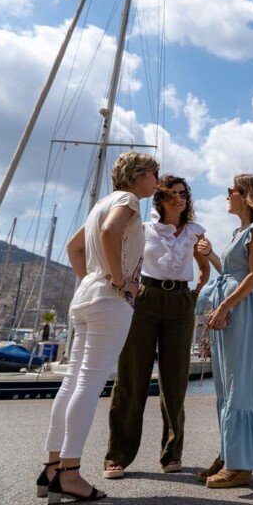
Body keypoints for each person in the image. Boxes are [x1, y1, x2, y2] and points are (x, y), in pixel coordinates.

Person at [38, 152, 159, 502]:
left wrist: (94, 277)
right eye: (154, 173)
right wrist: (119, 282)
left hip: (87, 295)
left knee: (73, 381)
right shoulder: (128, 200)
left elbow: (73, 247)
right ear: (138, 175)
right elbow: (111, 231)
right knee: (89, 384)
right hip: (109, 299)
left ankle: (52, 467)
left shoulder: (100, 204)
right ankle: (70, 474)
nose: (157, 179)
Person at [103, 175, 211, 479]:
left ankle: (172, 454)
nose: (179, 199)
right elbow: (124, 256)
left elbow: (205, 270)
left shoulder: (195, 232)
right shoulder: (144, 228)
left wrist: (193, 296)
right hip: (145, 298)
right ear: (160, 199)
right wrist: (125, 285)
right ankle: (118, 456)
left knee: (175, 380)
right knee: (131, 377)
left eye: (183, 194)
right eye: (172, 194)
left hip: (180, 301)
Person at [194, 173, 253, 489]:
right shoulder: (240, 231)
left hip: (238, 309)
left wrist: (225, 306)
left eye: (230, 190)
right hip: (228, 307)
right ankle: (229, 453)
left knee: (238, 386)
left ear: (246, 195)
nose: (226, 195)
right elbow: (230, 272)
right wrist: (210, 254)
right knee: (224, 387)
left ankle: (241, 465)